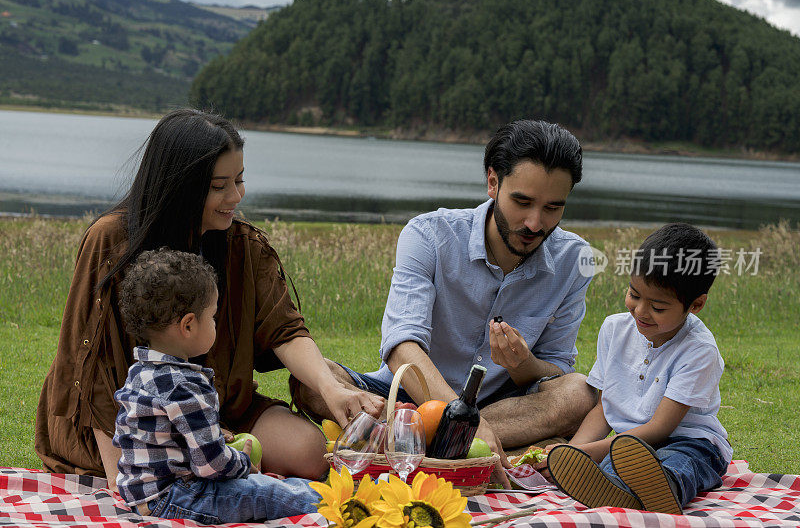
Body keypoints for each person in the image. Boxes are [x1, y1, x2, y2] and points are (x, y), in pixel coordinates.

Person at [35, 109, 383, 488]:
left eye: (240, 180)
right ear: (180, 185)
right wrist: (122, 471)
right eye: (219, 186)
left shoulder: (243, 244)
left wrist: (331, 388)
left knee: (310, 453)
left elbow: (283, 330)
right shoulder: (110, 240)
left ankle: (210, 450)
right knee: (148, 485)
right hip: (133, 417)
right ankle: (206, 455)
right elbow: (92, 370)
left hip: (221, 407)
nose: (235, 196)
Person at [293, 120, 598, 481]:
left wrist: (523, 364)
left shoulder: (575, 260)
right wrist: (465, 420)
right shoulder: (428, 235)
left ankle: (403, 443)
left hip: (502, 406)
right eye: (523, 201)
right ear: (493, 182)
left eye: (552, 208)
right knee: (311, 379)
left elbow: (556, 370)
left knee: (581, 392)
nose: (535, 222)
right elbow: (401, 345)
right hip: (405, 398)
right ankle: (470, 445)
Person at [113, 248, 320, 523]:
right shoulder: (185, 385)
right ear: (188, 325)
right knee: (267, 493)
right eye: (211, 317)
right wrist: (244, 463)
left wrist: (211, 434)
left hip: (142, 496)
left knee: (258, 490)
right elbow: (211, 465)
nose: (214, 323)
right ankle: (336, 499)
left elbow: (163, 434)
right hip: (178, 495)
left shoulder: (140, 371)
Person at [545, 223, 732, 514]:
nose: (641, 311)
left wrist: (589, 452)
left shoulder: (699, 350)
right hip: (628, 447)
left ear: (695, 305)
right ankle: (622, 493)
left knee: (679, 461)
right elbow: (605, 408)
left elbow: (660, 428)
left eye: (658, 307)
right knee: (616, 462)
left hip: (690, 442)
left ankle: (664, 488)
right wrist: (572, 453)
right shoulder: (614, 329)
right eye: (634, 294)